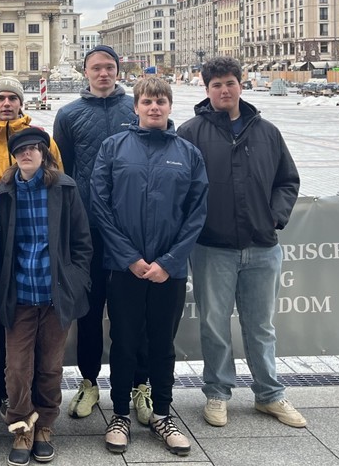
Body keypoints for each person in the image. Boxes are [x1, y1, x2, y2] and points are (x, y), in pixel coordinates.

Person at [177, 56, 307, 429]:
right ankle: (217, 393)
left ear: (240, 84)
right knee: (214, 324)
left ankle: (270, 394)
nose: (224, 90)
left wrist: (274, 217)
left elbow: (287, 180)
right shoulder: (190, 133)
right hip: (212, 247)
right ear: (206, 90)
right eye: (216, 85)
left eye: (230, 83)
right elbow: (180, 189)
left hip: (262, 245)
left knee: (261, 325)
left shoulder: (266, 131)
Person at [90, 77, 208, 456]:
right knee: (123, 342)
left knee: (161, 344)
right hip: (125, 268)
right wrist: (129, 258)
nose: (154, 107)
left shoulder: (187, 153)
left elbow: (196, 213)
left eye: (160, 101)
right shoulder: (114, 148)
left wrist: (168, 262)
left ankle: (161, 413)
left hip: (167, 271)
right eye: (147, 101)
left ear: (170, 106)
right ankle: (120, 414)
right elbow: (100, 206)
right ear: (136, 107)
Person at [0, 128, 92, 466]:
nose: (27, 154)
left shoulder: (63, 188)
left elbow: (81, 242)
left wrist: (75, 281)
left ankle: (44, 425)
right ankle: (21, 426)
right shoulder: (3, 192)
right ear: (14, 156)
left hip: (54, 295)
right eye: (21, 150)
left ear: (43, 154)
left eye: (34, 149)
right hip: (18, 294)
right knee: (17, 368)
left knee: (50, 366)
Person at [0, 76, 62, 414]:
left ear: (21, 103)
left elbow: (59, 186)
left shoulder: (43, 139)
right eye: (0, 97)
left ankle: (34, 393)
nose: (6, 103)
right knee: (1, 320)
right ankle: (8, 393)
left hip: (36, 247)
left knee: (38, 329)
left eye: (12, 98)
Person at [52, 45, 140, 420]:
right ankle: (89, 383)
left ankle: (137, 383)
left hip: (130, 229)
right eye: (96, 68)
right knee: (88, 313)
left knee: (128, 313)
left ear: (117, 71)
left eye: (109, 67)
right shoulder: (69, 114)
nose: (103, 74)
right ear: (85, 72)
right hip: (87, 231)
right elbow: (63, 173)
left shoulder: (136, 107)